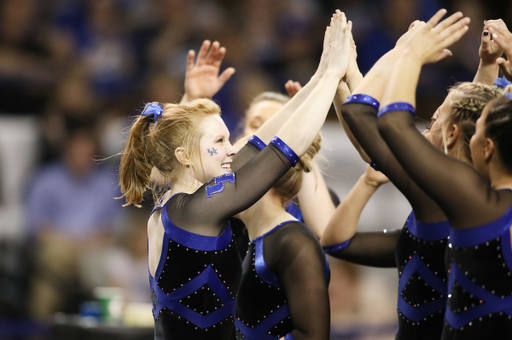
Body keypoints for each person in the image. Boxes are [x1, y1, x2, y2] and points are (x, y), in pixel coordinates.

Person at [118, 10, 352, 340]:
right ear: (184, 156)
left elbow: (255, 146)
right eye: (219, 141)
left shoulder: (180, 205)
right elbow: (280, 152)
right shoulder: (194, 211)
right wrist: (331, 75)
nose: (231, 149)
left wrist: (316, 79)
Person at [326, 16, 503, 340]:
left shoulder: (439, 197)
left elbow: (366, 119)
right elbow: (477, 118)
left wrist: (405, 52)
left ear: (452, 133)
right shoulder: (476, 191)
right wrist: (488, 65)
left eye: (435, 118)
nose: (426, 124)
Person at [234, 133, 330, 340]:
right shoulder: (251, 237)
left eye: (229, 168)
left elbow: (313, 336)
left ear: (261, 174)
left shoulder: (294, 242)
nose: (220, 179)